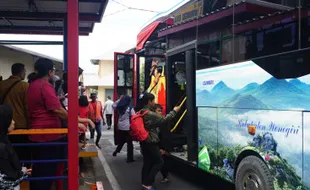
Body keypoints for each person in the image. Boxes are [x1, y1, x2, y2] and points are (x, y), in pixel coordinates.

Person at [27, 58, 68, 190]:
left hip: (36, 135)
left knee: (38, 171)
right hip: (49, 136)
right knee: (47, 172)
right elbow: (57, 109)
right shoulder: (45, 85)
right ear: (50, 72)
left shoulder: (32, 85)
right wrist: (74, 120)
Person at [140, 93, 180, 190]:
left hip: (144, 141)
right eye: (153, 101)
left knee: (147, 163)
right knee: (159, 162)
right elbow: (165, 119)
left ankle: (144, 182)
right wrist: (174, 111)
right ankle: (147, 183)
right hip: (150, 141)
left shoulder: (142, 111)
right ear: (149, 102)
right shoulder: (149, 114)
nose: (154, 103)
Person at [0, 63, 30, 164]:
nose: (25, 74)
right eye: (24, 72)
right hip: (21, 125)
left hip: (3, 126)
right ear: (21, 73)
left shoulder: (2, 84)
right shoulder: (24, 85)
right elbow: (27, 107)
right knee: (22, 153)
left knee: (7, 152)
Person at [0, 104, 31, 190]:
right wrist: (22, 173)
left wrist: (20, 171)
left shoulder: (5, 142)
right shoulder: (2, 147)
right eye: (10, 119)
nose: (13, 122)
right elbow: (5, 179)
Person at [112, 95, 135, 163]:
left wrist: (120, 99)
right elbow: (134, 117)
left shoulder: (119, 107)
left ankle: (116, 151)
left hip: (120, 127)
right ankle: (129, 158)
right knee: (129, 143)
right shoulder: (130, 108)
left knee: (122, 140)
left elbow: (113, 105)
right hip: (127, 127)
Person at [154, 104, 171, 183]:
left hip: (161, 145)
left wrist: (164, 149)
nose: (160, 112)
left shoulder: (162, 122)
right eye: (158, 111)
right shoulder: (152, 121)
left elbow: (165, 136)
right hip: (155, 145)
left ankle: (165, 176)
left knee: (162, 162)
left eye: (161, 111)